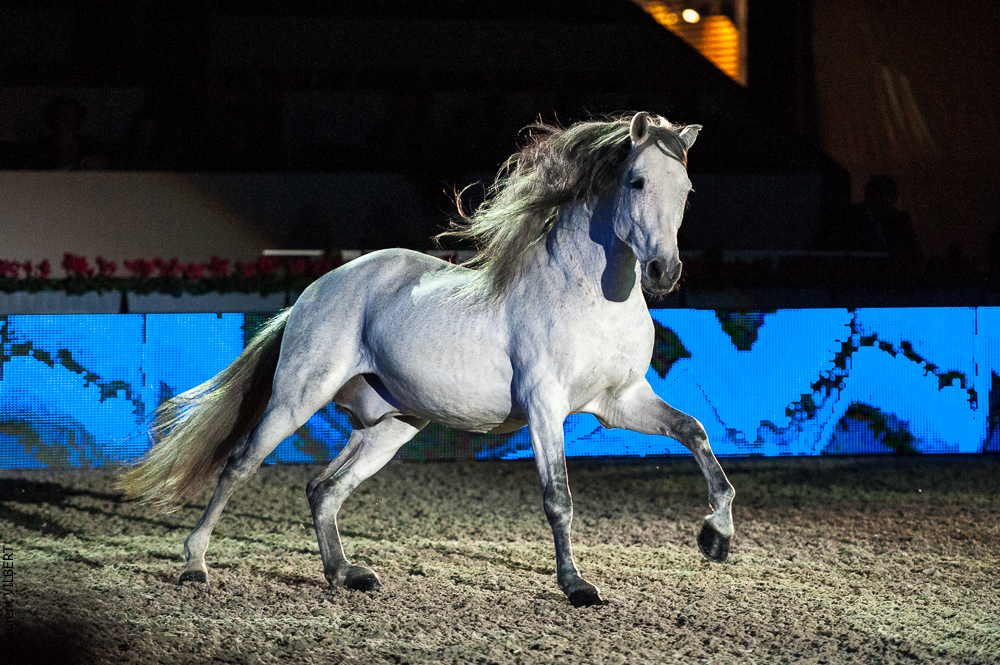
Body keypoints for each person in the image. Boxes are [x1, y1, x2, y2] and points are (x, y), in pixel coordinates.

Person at [28, 95, 108, 170]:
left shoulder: (89, 145)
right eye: (63, 115)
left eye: (73, 115)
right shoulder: (41, 147)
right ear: (54, 118)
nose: (68, 119)